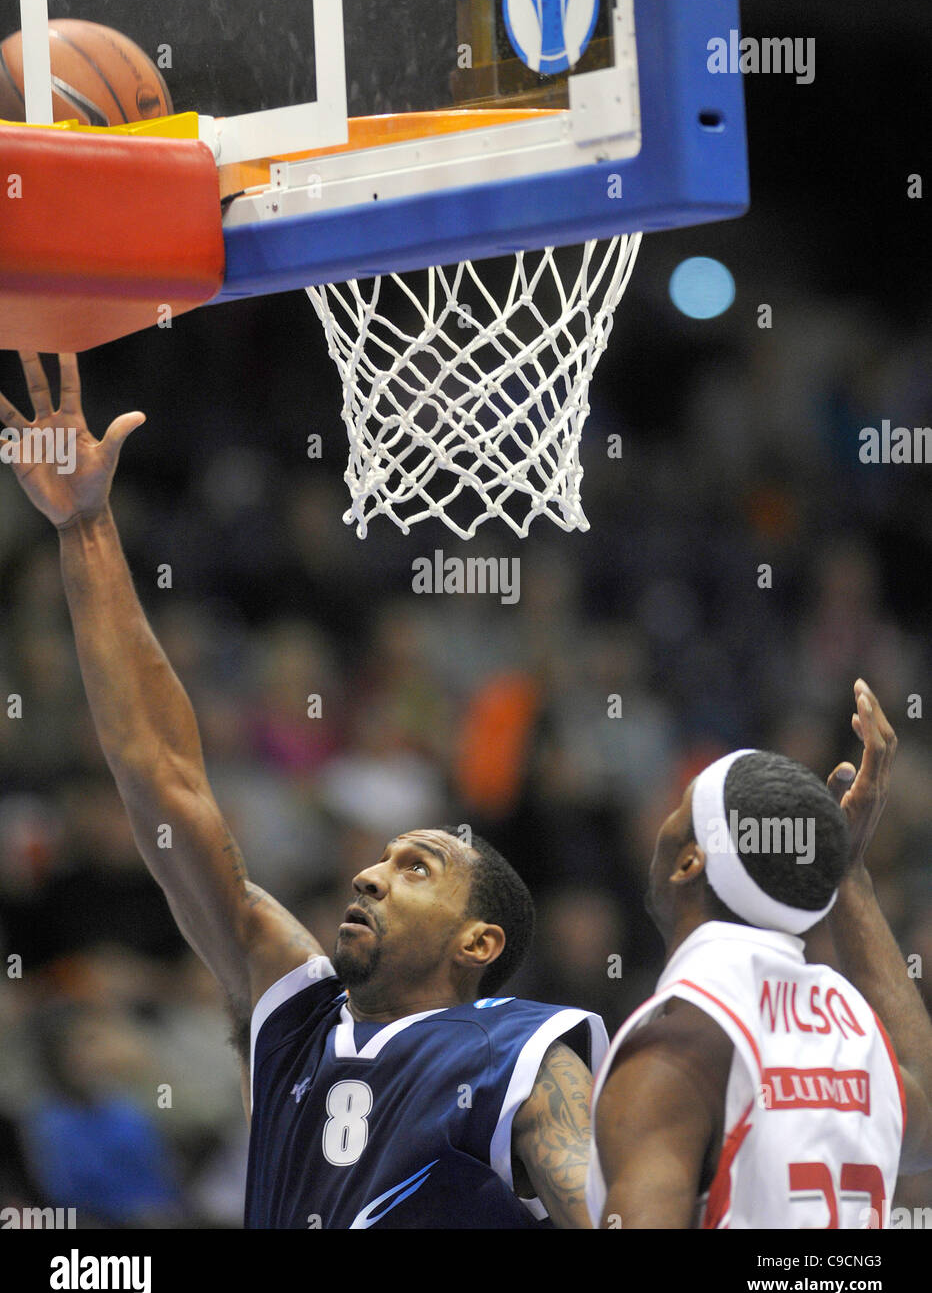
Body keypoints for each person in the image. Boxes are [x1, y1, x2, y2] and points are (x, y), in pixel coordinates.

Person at [0, 352, 607, 1230]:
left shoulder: (518, 1050)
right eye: (383, 857)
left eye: (418, 868)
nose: (369, 874)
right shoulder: (294, 1009)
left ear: (480, 941)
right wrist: (83, 529)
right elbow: (165, 783)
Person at [587, 679, 932, 1228]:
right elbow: (925, 1121)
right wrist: (850, 874)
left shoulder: (677, 1045)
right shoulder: (854, 1027)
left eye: (680, 808)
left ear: (688, 863)